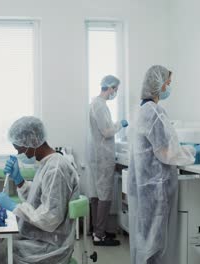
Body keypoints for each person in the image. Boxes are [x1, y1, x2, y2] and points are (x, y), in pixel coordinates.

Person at [127, 65, 200, 264]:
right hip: (156, 188)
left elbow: (158, 146)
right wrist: (194, 151)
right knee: (155, 244)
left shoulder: (142, 110)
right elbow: (166, 153)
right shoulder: (154, 112)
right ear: (158, 85)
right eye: (168, 83)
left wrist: (184, 147)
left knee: (145, 240)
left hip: (146, 187)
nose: (169, 87)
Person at [0, 116, 79, 264]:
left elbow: (50, 218)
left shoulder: (56, 169)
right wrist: (19, 180)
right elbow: (39, 201)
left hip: (49, 248)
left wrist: (14, 206)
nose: (19, 154)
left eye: (19, 148)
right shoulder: (46, 164)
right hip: (39, 237)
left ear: (32, 141)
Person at [86, 75, 128, 246]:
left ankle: (97, 230)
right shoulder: (100, 105)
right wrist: (120, 124)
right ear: (109, 87)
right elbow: (107, 131)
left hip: (97, 155)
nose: (115, 93)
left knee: (97, 195)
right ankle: (99, 235)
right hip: (103, 156)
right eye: (115, 89)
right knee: (104, 196)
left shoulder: (94, 104)